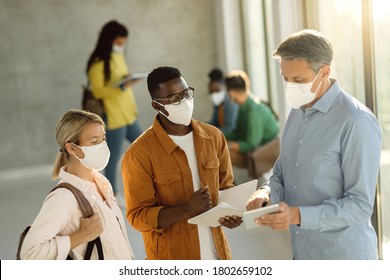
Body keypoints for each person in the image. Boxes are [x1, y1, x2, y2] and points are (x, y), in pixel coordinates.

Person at [246, 29, 382, 260]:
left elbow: (359, 206)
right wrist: (266, 192)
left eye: (298, 80)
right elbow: (282, 170)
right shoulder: (297, 112)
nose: (291, 86)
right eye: (285, 78)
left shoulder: (355, 121)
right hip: (302, 254)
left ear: (324, 72)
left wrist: (296, 216)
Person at [121, 66, 242, 260]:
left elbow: (226, 187)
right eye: (175, 99)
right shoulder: (139, 155)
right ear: (157, 106)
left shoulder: (214, 137)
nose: (184, 101)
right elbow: (138, 217)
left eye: (186, 93)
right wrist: (185, 210)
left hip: (218, 255)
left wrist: (231, 213)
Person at [20, 109, 135, 259]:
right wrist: (81, 236)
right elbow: (29, 253)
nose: (102, 146)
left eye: (103, 139)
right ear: (72, 148)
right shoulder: (63, 198)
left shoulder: (101, 183)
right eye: (94, 141)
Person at [86, 20, 143, 202]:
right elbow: (98, 91)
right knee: (113, 157)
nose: (121, 46)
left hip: (128, 114)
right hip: (113, 117)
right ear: (110, 40)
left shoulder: (118, 57)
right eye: (119, 42)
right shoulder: (97, 63)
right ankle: (111, 195)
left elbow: (121, 81)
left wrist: (127, 80)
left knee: (144, 145)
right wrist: (121, 87)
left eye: (123, 42)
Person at [223, 70, 279, 169]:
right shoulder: (244, 106)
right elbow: (237, 132)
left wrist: (230, 145)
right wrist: (217, 133)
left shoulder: (254, 112)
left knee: (223, 154)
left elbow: (252, 144)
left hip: (264, 155)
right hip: (256, 149)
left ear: (231, 92)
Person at [208, 68, 238, 134]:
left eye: (217, 91)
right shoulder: (218, 104)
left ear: (224, 88)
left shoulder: (232, 103)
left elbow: (230, 129)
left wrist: (212, 133)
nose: (214, 95)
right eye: (211, 92)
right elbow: (214, 122)